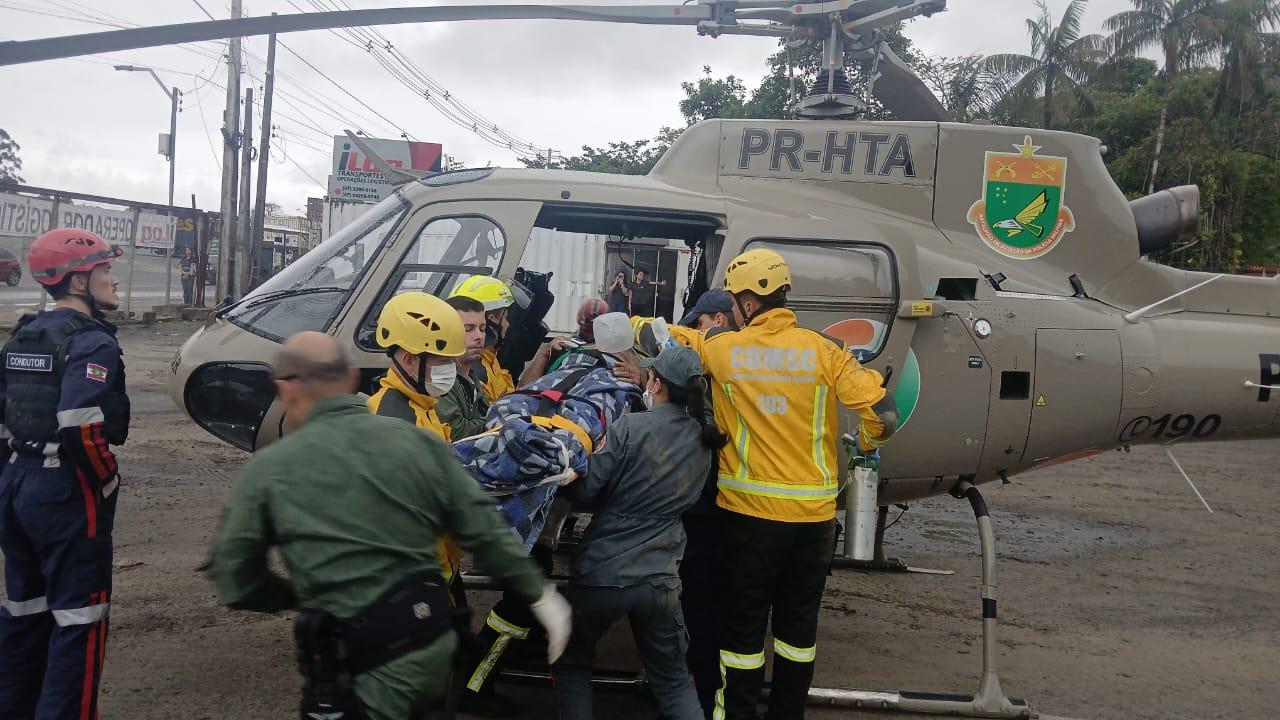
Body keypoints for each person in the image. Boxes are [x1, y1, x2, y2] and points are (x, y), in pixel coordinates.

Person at [205, 331, 572, 720]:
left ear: (284, 388)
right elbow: (482, 528)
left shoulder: (270, 470)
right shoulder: (417, 442)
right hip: (429, 638)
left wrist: (299, 594)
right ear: (349, 377)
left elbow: (236, 581)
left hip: (359, 663)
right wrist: (541, 597)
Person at [669, 248, 898, 720]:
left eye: (735, 301)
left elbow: (684, 341)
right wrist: (867, 445)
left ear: (749, 304)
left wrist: (632, 326)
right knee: (797, 634)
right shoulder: (823, 350)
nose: (734, 309)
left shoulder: (723, 350)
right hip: (813, 524)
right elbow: (884, 414)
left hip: (747, 521)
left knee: (741, 635)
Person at [552, 345, 726, 720]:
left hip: (603, 574)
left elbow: (586, 489)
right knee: (674, 681)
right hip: (660, 580)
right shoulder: (704, 440)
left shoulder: (631, 427)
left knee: (572, 664)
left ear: (656, 382)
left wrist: (565, 471)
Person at [0, 228, 130, 719]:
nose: (114, 281)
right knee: (81, 621)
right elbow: (81, 423)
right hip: (65, 488)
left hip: (17, 482)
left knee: (25, 612)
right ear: (79, 282)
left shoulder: (24, 334)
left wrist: (11, 478)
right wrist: (105, 479)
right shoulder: (92, 342)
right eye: (105, 271)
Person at [366, 291, 470, 611]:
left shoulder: (421, 405)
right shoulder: (392, 421)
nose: (450, 369)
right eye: (442, 360)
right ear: (410, 359)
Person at [449, 276, 517, 402]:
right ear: (492, 319)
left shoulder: (488, 360)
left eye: (481, 328)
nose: (508, 324)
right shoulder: (475, 371)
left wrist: (543, 356)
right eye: (469, 328)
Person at [518, 297, 609, 386]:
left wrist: (543, 354)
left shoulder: (561, 349)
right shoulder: (561, 348)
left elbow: (523, 390)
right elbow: (523, 389)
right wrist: (544, 354)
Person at [437, 295, 492, 440]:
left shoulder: (471, 378)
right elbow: (456, 431)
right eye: (468, 329)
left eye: (482, 328)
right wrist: (496, 420)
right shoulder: (439, 377)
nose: (479, 336)